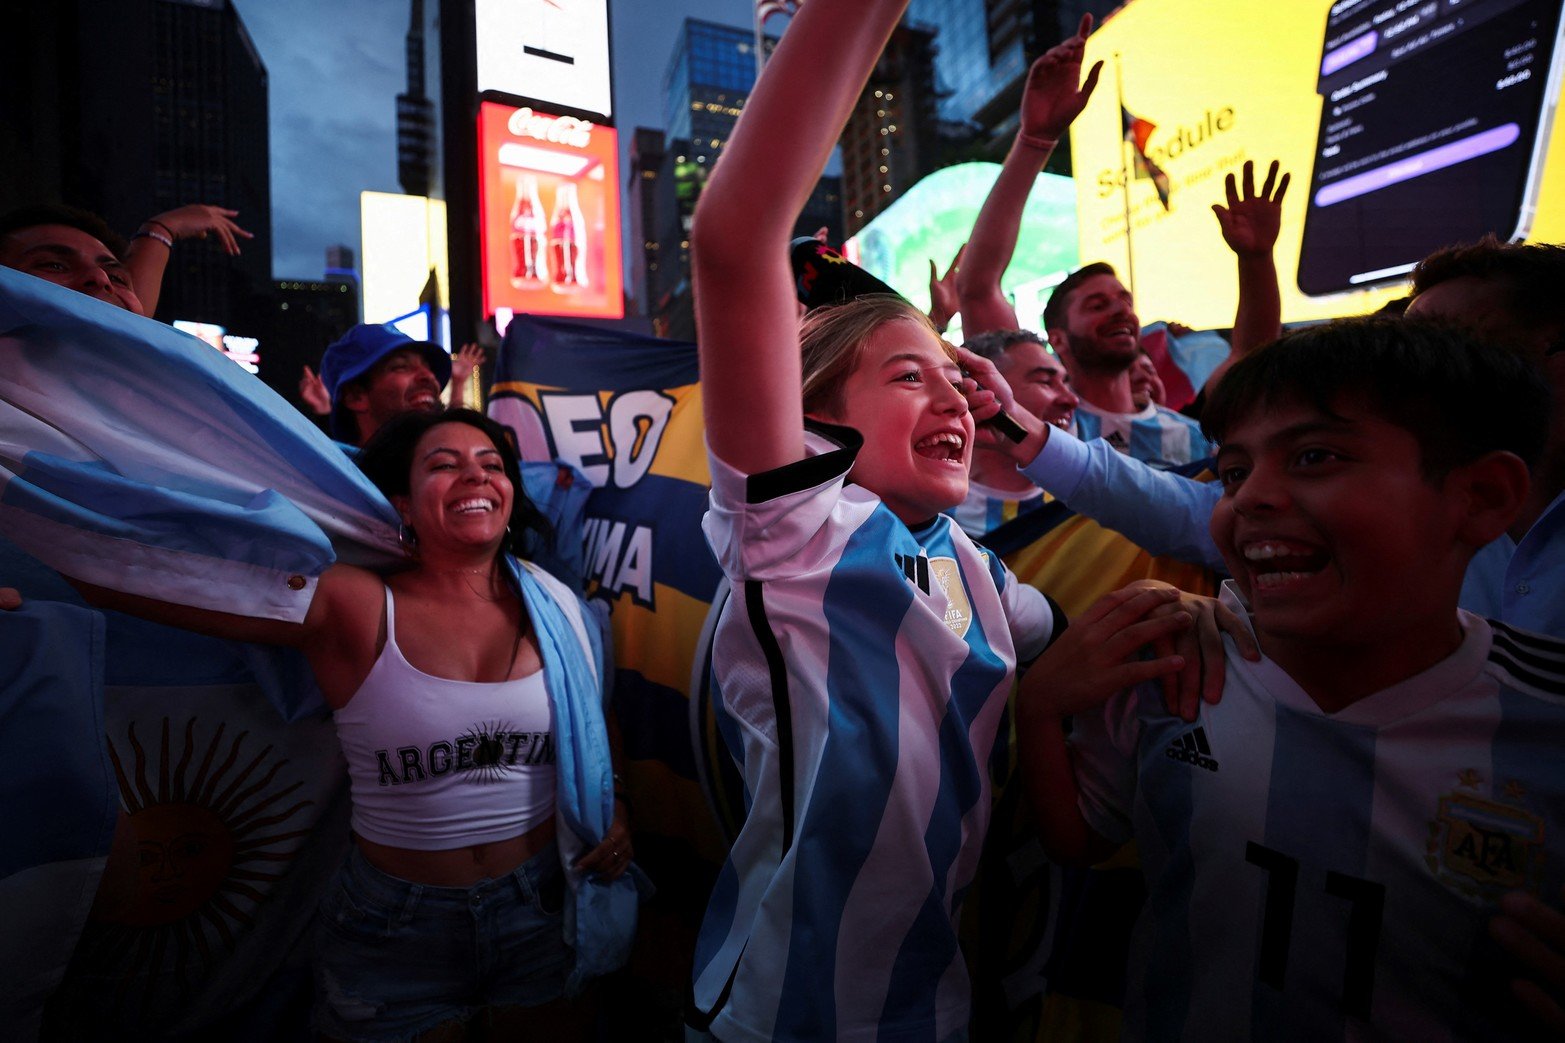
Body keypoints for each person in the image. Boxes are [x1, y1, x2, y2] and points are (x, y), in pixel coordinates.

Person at [684, 5, 1246, 1039]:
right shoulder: (798, 537)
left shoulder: (979, 573)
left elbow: (1056, 644)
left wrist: (1188, 625)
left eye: (956, 380)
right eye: (909, 376)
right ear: (810, 423)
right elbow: (731, 239)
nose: (954, 401)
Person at [1020, 316, 1565, 1039]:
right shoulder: (1172, 668)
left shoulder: (1545, 728)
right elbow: (1079, 837)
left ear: (1481, 495)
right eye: (1235, 470)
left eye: (1313, 456)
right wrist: (1038, 704)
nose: (1247, 498)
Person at [46, 407, 636, 1041]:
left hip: (543, 908)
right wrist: (35, 529)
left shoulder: (560, 606)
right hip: (396, 929)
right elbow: (153, 577)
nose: (475, 476)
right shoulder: (354, 605)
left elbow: (594, 727)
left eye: (491, 465)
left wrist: (615, 802)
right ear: (403, 506)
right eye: (445, 465)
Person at [953, 61, 1289, 466]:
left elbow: (1251, 357)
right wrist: (1036, 140)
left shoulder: (1191, 434)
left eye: (1124, 301)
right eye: (1097, 305)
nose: (1120, 311)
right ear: (1056, 338)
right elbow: (978, 287)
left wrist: (1256, 260)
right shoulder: (1047, 426)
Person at [948, 328, 1077, 537]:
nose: (1071, 400)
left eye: (1065, 383)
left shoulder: (1085, 497)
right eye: (1045, 381)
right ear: (977, 389)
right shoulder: (933, 521)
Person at [318, 323, 452, 447]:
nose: (428, 375)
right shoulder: (327, 472)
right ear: (356, 396)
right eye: (401, 366)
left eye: (428, 367)